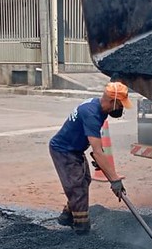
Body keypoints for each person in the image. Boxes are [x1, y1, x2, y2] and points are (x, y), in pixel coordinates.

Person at [49, 81, 133, 234]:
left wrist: (101, 160)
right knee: (78, 188)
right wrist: (114, 180)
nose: (122, 108)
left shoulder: (99, 108)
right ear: (112, 101)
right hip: (64, 150)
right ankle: (82, 230)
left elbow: (96, 147)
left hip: (75, 149)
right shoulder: (92, 114)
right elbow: (98, 150)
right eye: (121, 105)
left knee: (84, 180)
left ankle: (66, 217)